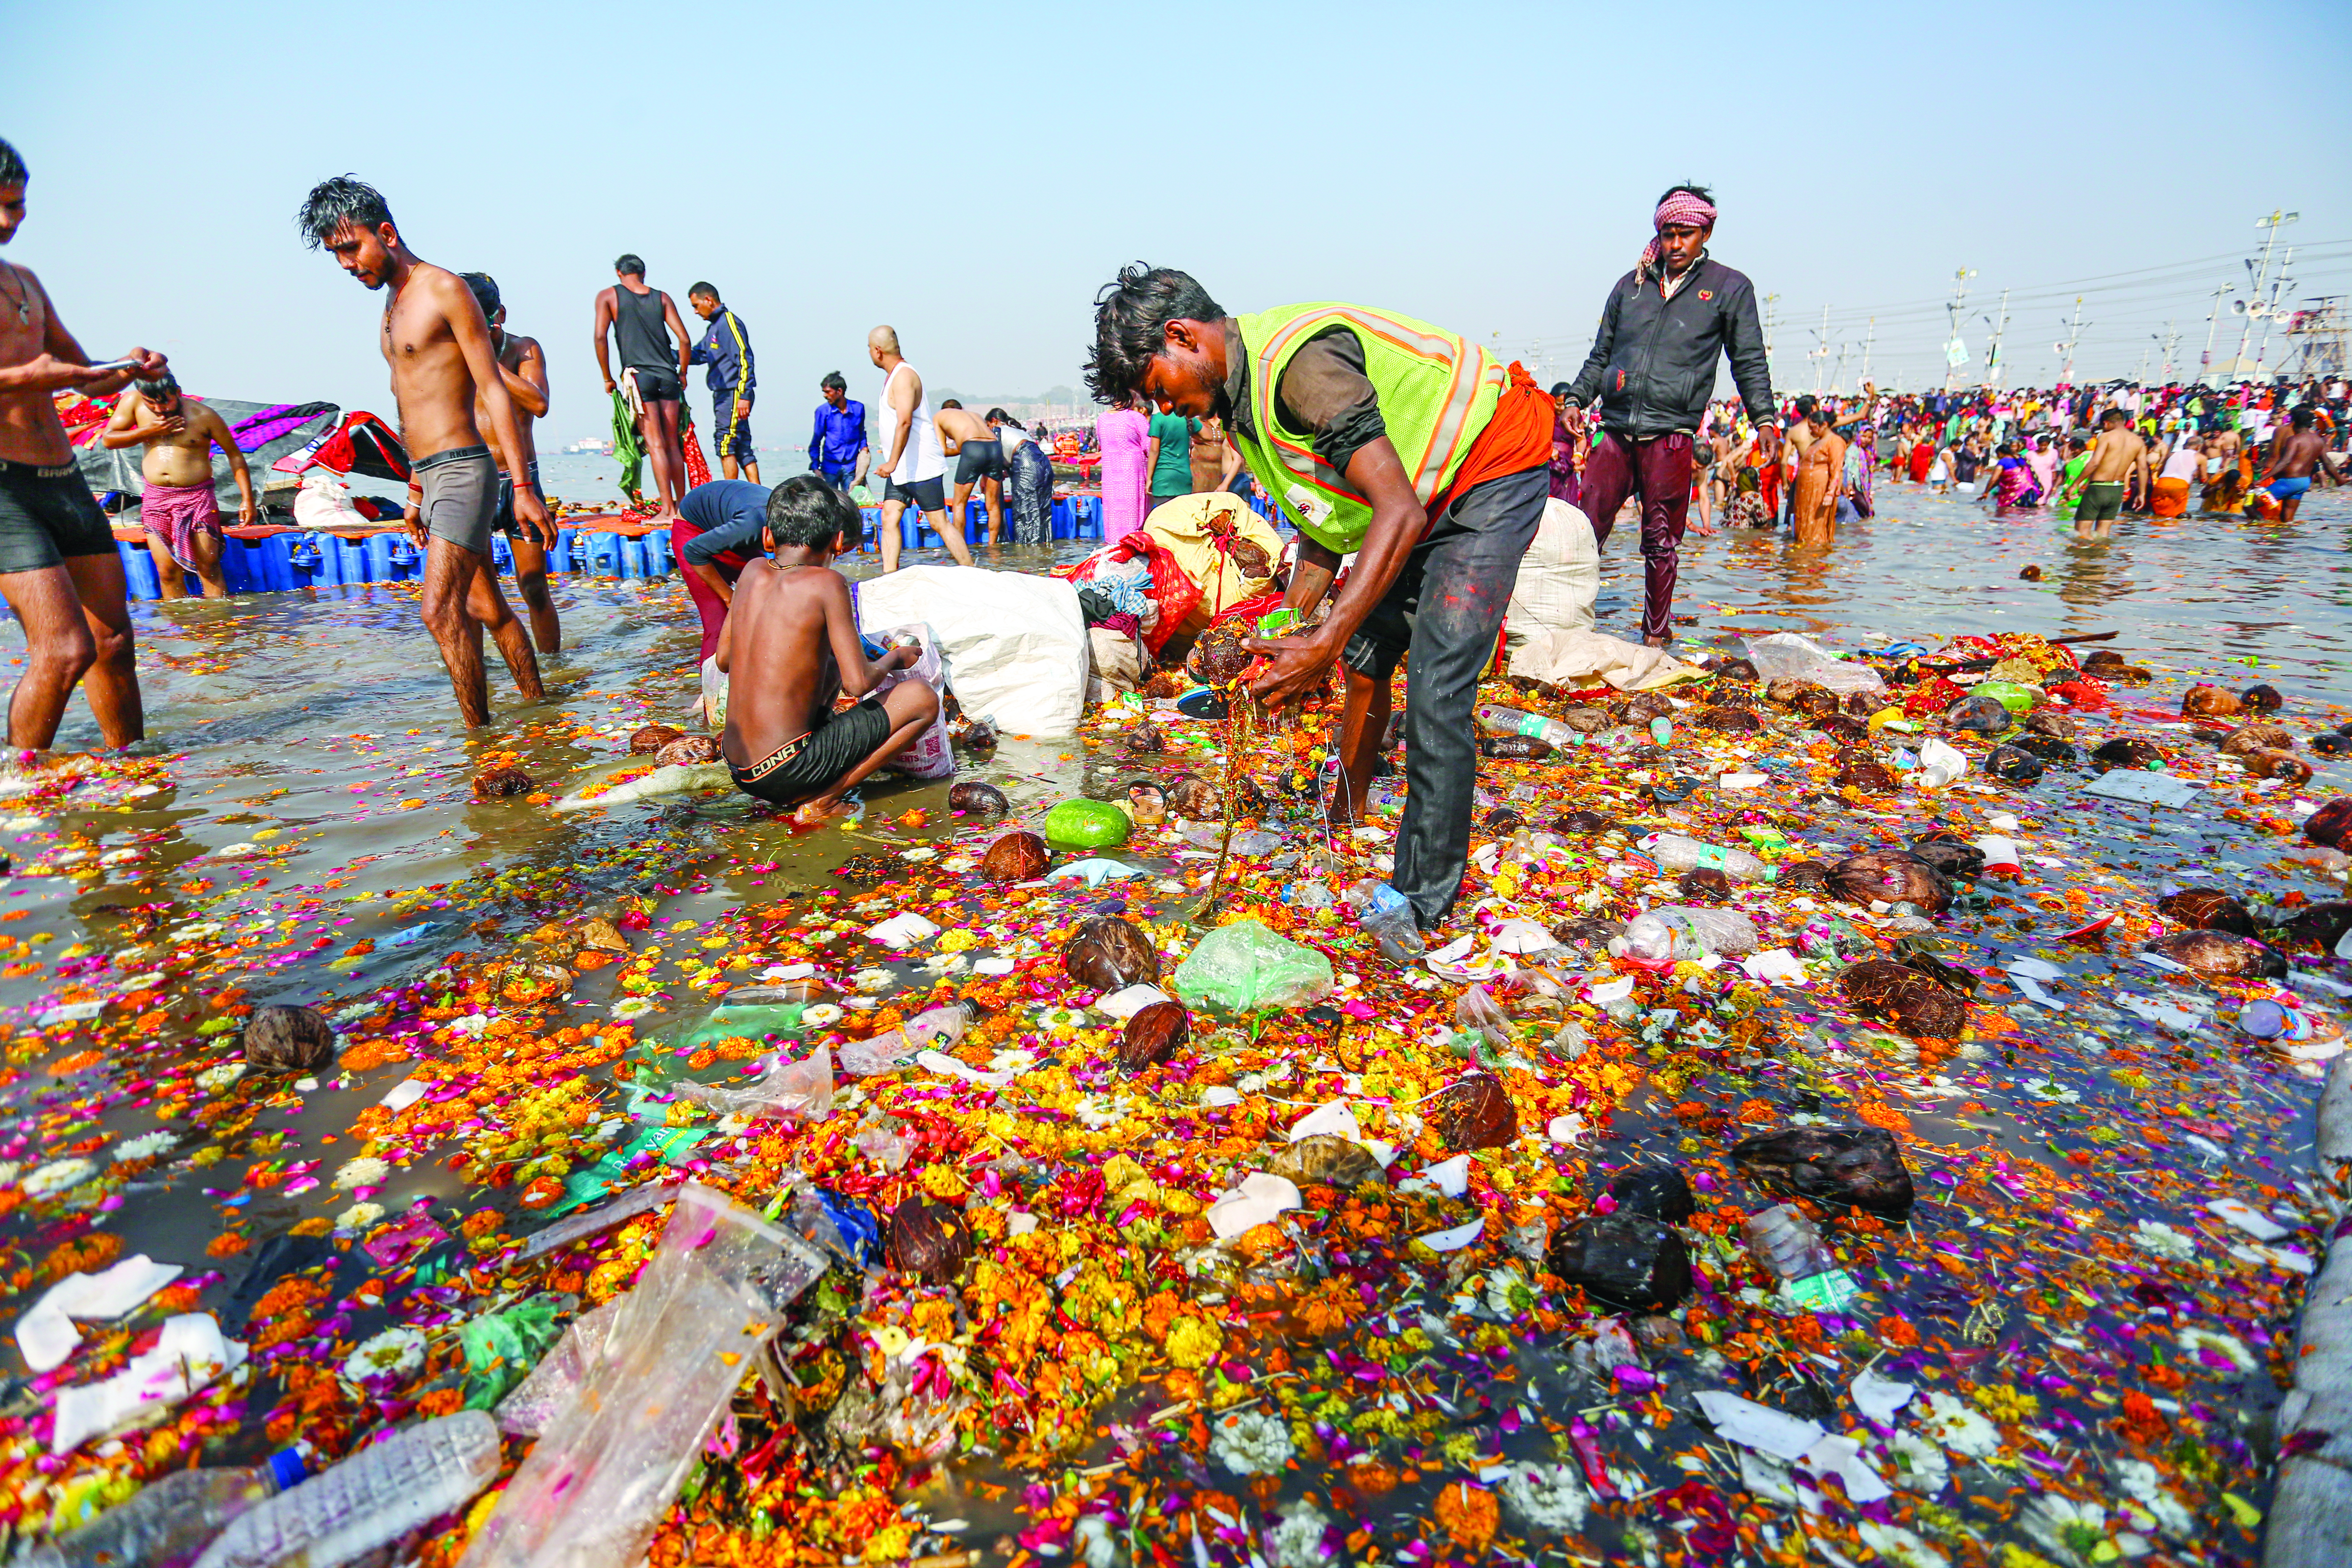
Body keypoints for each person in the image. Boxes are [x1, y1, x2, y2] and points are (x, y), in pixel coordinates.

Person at [1086, 265, 1552, 938]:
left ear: (1181, 335)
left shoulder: (1298, 368)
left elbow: (1394, 510)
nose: (1163, 410)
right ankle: (1345, 814)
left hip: (1490, 464)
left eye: (1158, 388)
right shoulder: (1237, 402)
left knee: (1438, 683)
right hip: (1421, 494)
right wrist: (1292, 625)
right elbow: (1323, 521)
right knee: (1367, 653)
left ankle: (1422, 903)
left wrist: (1322, 642)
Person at [299, 174, 544, 726]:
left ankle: (479, 739)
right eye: (335, 254)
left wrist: (524, 489)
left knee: (438, 610)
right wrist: (413, 489)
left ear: (385, 232)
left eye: (349, 247)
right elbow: (408, 406)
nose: (345, 264)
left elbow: (495, 390)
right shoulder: (391, 306)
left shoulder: (443, 289)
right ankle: (538, 706)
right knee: (483, 607)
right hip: (429, 476)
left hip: (464, 470)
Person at [1561, 185, 1777, 647]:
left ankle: (1655, 638)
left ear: (1707, 232)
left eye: (1686, 234)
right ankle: (1568, 626)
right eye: (1668, 234)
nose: (1676, 244)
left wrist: (1764, 419)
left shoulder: (1729, 288)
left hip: (1671, 433)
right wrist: (1578, 399)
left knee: (1660, 541)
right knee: (1585, 532)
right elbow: (1600, 355)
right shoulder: (1631, 286)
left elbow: (1749, 360)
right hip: (1615, 430)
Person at [0, 137, 159, 750]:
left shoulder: (25, 283)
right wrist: (25, 379)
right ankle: (19, 789)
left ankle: (135, 768)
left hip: (63, 479)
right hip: (5, 490)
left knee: (113, 640)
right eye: (1, 206)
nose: (10, 221)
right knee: (65, 648)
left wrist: (131, 367)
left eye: (18, 207)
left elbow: (85, 375)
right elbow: (39, 375)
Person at [715, 476, 938, 823]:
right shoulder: (827, 583)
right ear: (837, 541)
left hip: (739, 769)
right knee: (922, 698)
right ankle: (824, 801)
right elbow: (858, 684)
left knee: (831, 662)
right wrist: (895, 658)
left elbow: (724, 660)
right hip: (784, 771)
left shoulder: (751, 571)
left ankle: (809, 772)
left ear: (768, 536)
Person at [458, 272, 560, 654]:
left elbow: (538, 403)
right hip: (472, 480)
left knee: (533, 584)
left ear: (498, 315)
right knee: (476, 594)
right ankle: (484, 673)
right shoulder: (451, 352)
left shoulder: (523, 350)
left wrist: (485, 360)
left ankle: (553, 666)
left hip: (521, 482)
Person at [101, 371, 252, 600]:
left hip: (197, 497)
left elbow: (235, 456)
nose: (159, 409)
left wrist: (247, 500)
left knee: (208, 566)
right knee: (167, 571)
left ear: (178, 393)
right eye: (151, 403)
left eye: (165, 402)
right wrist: (150, 431)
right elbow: (109, 439)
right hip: (156, 498)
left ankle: (221, 625)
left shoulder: (204, 415)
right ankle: (181, 631)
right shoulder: (133, 403)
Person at [592, 255, 692, 520]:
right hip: (667, 375)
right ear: (644, 273)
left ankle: (667, 510)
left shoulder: (608, 296)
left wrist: (607, 377)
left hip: (638, 377)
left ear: (618, 273)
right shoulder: (662, 297)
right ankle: (682, 509)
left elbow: (601, 337)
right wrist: (682, 372)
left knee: (656, 444)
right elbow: (684, 339)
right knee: (673, 444)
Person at [867, 326, 967, 570]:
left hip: (921, 465)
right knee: (889, 517)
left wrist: (890, 462)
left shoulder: (904, 376)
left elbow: (905, 421)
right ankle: (890, 577)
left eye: (870, 348)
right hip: (902, 467)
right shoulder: (893, 376)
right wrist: (894, 464)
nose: (869, 353)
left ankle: (971, 570)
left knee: (939, 522)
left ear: (878, 351)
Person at [673, 476, 770, 668]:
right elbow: (693, 551)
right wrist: (727, 596)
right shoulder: (752, 525)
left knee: (770, 596)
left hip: (730, 525)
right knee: (717, 620)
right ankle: (712, 692)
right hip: (695, 533)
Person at [686, 283, 758, 483]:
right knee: (742, 447)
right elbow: (698, 354)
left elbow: (744, 358)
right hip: (724, 394)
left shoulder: (728, 323)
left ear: (708, 300)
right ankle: (760, 496)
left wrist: (744, 395)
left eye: (696, 305)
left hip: (733, 392)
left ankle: (730, 494)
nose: (695, 311)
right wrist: (669, 354)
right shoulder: (713, 329)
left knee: (725, 443)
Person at [937, 399, 1006, 545]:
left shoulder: (939, 416)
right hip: (994, 447)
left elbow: (943, 450)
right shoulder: (975, 415)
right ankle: (993, 548)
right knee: (993, 505)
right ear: (961, 408)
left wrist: (963, 449)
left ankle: (959, 547)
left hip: (972, 447)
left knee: (959, 503)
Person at [2073, 409, 2149, 540]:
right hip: (2117, 489)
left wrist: (2075, 484)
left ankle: (2082, 560)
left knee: (2082, 534)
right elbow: (2143, 468)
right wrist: (2142, 494)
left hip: (2099, 487)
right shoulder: (2138, 441)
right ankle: (2102, 560)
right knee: (2103, 535)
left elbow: (2095, 463)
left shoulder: (2106, 437)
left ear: (2106, 424)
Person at [2260, 406, 2344, 523]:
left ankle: (2262, 536)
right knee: (2280, 518)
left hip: (2272, 472)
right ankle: (2284, 538)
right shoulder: (2306, 437)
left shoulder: (2280, 430)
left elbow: (2281, 457)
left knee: (2263, 513)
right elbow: (2324, 461)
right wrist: (2338, 478)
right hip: (2288, 477)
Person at [990, 407, 1054, 545]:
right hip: (1043, 464)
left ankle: (1027, 549)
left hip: (1026, 463)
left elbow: (992, 460)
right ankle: (1043, 547)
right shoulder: (1018, 431)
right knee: (1042, 509)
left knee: (1025, 508)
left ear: (994, 421)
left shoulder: (996, 431)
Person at [1096, 392, 1150, 542]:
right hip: (1132, 476)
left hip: (1110, 477)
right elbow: (1150, 447)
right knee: (1135, 519)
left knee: (1113, 518)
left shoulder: (1102, 419)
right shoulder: (1136, 418)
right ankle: (1135, 547)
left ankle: (1114, 548)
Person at [1789, 406, 1844, 545]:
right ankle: (1804, 554)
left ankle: (1817, 556)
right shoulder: (1816, 442)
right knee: (1804, 525)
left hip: (1821, 492)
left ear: (1824, 425)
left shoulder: (1835, 442)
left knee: (1818, 528)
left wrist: (1830, 493)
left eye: (1813, 428)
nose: (1810, 431)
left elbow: (1836, 469)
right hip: (1805, 493)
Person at [808, 371, 867, 496]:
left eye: (828, 392)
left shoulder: (858, 409)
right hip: (830, 467)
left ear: (839, 392)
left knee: (852, 502)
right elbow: (816, 441)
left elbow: (861, 433)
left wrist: (864, 448)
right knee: (829, 502)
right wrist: (815, 466)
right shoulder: (823, 412)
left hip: (852, 466)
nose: (825, 396)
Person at [1147, 402, 1199, 513]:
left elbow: (1154, 451)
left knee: (1165, 519)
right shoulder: (1188, 419)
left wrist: (1149, 478)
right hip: (1183, 478)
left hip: (1163, 478)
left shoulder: (1158, 419)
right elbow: (1207, 434)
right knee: (1182, 519)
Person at [1546, 382, 1582, 509]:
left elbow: (1581, 439)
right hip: (1548, 464)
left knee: (1568, 506)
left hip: (1567, 465)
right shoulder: (1546, 416)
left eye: (1565, 405)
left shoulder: (1574, 418)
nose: (1562, 409)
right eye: (1558, 404)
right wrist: (1549, 449)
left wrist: (1579, 456)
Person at [2152, 431, 2201, 519]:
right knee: (2177, 517)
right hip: (2180, 486)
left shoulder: (2172, 455)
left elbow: (2159, 473)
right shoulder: (2201, 457)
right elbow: (2204, 479)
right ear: (2199, 446)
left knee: (2158, 515)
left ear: (2184, 445)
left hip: (2162, 484)